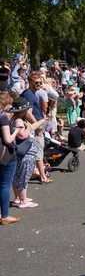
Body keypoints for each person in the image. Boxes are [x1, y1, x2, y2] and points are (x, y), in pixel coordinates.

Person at [11, 98, 48, 208]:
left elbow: (32, 126)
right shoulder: (18, 120)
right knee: (24, 175)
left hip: (21, 153)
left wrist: (41, 121)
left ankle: (18, 197)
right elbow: (22, 135)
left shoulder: (15, 119)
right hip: (25, 153)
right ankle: (23, 200)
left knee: (17, 175)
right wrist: (29, 129)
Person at [0, 93, 22, 225]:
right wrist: (16, 130)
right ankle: (5, 215)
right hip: (6, 155)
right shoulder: (2, 117)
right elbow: (8, 140)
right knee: (5, 185)